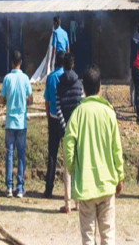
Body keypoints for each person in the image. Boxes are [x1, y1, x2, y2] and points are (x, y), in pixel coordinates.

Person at [63, 65, 125, 245]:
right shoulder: (109, 113)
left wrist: (74, 168)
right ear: (100, 87)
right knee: (108, 236)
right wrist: (119, 176)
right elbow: (117, 149)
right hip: (107, 186)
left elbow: (68, 145)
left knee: (88, 238)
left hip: (86, 188)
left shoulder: (77, 114)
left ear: (83, 89)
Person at [0, 50, 33, 198]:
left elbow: (2, 100)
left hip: (9, 123)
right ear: (21, 62)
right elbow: (30, 99)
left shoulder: (7, 79)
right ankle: (20, 188)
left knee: (9, 155)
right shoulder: (26, 79)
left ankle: (9, 188)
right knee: (21, 156)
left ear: (12, 62)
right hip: (21, 124)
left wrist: (7, 100)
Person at [55, 53, 83, 213]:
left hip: (65, 132)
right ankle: (78, 203)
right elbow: (81, 108)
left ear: (63, 66)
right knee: (78, 167)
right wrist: (75, 127)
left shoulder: (59, 84)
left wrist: (66, 129)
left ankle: (67, 204)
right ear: (72, 65)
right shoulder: (79, 84)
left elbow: (58, 108)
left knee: (67, 168)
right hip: (78, 131)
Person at [43, 51, 66, 199]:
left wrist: (48, 117)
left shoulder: (51, 78)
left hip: (53, 118)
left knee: (52, 154)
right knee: (69, 155)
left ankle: (49, 189)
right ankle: (69, 191)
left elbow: (47, 100)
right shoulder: (67, 76)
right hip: (66, 120)